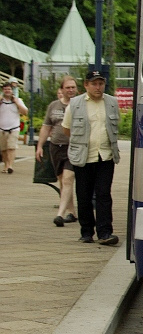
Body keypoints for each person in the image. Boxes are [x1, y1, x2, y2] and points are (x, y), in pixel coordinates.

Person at [62, 70, 120, 246]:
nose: (98, 87)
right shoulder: (75, 104)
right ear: (86, 85)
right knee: (84, 195)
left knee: (103, 194)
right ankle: (86, 231)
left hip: (105, 155)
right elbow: (67, 129)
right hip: (84, 156)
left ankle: (105, 232)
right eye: (94, 83)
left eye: (101, 83)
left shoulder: (111, 102)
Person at [37, 75, 79, 226]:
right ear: (62, 89)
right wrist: (40, 146)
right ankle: (72, 212)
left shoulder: (80, 105)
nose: (70, 90)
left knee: (68, 178)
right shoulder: (53, 106)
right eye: (67, 87)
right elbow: (46, 126)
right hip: (56, 146)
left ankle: (59, 214)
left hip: (73, 147)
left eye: (73, 87)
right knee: (63, 181)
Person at [0, 80, 28, 174]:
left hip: (14, 128)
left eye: (9, 89)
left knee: (11, 147)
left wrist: (17, 102)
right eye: (5, 89)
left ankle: (10, 166)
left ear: (12, 90)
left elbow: (25, 112)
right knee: (3, 149)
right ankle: (6, 165)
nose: (7, 91)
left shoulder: (18, 100)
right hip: (2, 128)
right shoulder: (1, 101)